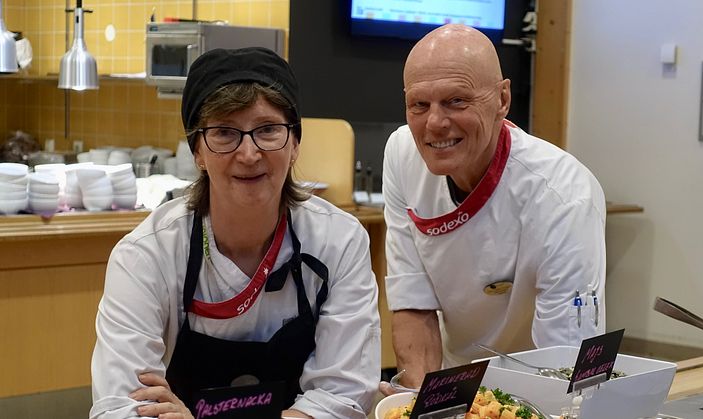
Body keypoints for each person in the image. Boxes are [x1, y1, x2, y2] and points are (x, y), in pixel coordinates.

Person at [90, 47, 381, 419]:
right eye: (225, 133)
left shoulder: (339, 241)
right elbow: (119, 407)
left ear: (294, 144)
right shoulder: (146, 256)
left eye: (268, 130)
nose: (248, 153)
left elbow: (344, 396)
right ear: (197, 150)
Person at [381, 24, 607, 391]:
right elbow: (412, 299)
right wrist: (423, 402)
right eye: (419, 105)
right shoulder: (402, 154)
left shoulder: (564, 197)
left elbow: (565, 363)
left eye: (456, 100)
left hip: (538, 387)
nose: (435, 123)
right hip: (454, 380)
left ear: (503, 99)